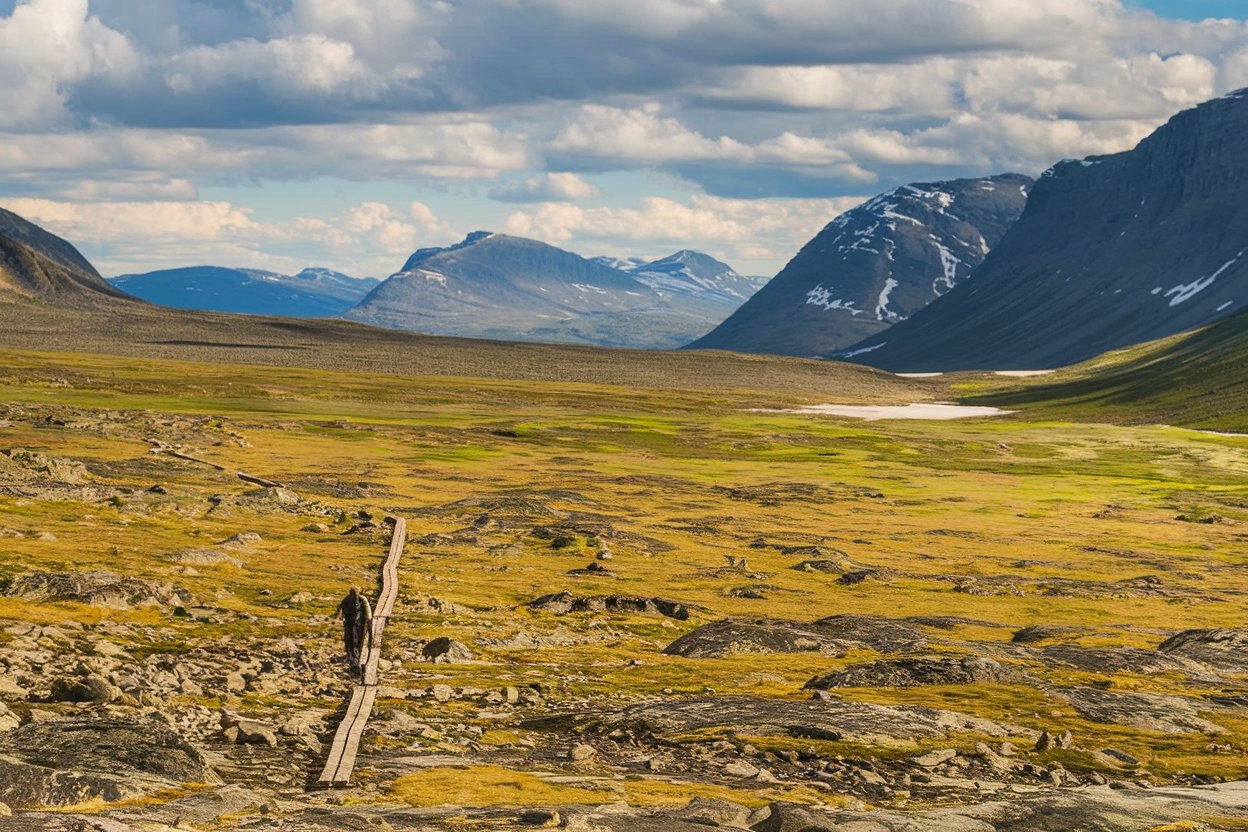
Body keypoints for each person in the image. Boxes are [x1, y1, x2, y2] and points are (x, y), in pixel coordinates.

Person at [336, 587, 373, 679]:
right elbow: (368, 614)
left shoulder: (347, 599)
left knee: (352, 643)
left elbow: (340, 610)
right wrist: (369, 623)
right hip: (358, 625)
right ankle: (357, 663)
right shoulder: (362, 599)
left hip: (351, 625)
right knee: (358, 643)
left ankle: (353, 662)